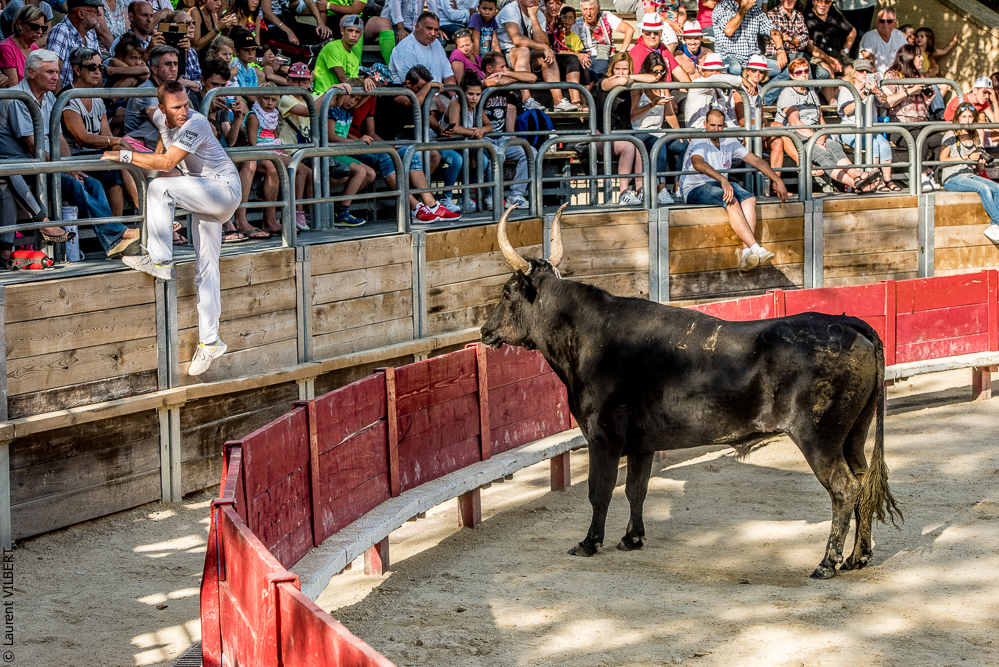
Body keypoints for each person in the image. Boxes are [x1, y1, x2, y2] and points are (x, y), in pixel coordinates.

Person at [101, 80, 241, 376]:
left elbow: (166, 162)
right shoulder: (158, 114)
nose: (183, 111)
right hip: (205, 193)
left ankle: (160, 259)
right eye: (176, 107)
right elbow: (151, 116)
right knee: (207, 270)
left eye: (187, 105)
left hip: (223, 190)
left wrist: (122, 155)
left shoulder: (197, 123)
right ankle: (210, 342)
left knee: (159, 187)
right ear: (163, 108)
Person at [1, 50, 140, 258]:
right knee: (76, 183)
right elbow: (32, 145)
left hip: (45, 164)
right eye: (49, 72)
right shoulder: (18, 98)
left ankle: (113, 241)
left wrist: (68, 164)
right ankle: (117, 234)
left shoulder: (48, 96)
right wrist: (65, 168)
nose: (56, 77)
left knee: (93, 182)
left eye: (56, 71)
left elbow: (58, 138)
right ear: (31, 73)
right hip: (23, 167)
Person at [680, 108, 788, 271]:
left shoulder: (729, 140)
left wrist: (777, 180)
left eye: (719, 126)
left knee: (750, 199)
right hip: (695, 187)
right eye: (712, 125)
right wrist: (723, 179)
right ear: (705, 124)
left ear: (724, 125)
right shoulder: (699, 140)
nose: (715, 129)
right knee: (730, 199)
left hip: (718, 184)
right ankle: (756, 249)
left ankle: (746, 254)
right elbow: (698, 163)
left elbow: (756, 161)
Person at [776, 57, 883, 194]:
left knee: (835, 147)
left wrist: (824, 133)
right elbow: (795, 123)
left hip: (815, 133)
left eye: (806, 71)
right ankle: (857, 184)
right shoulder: (788, 92)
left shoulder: (811, 92)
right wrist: (816, 137)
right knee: (823, 155)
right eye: (799, 72)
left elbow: (820, 119)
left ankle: (858, 174)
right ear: (791, 75)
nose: (804, 74)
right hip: (797, 135)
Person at [371, 65, 461, 222]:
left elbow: (428, 118)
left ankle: (429, 205)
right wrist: (427, 87)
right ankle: (415, 205)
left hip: (392, 144)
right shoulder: (395, 91)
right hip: (376, 142)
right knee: (402, 153)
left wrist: (441, 129)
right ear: (407, 83)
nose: (424, 91)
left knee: (433, 155)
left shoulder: (418, 96)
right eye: (420, 87)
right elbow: (413, 103)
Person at [61, 46, 141, 217]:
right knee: (118, 161)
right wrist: (116, 142)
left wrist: (117, 144)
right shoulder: (67, 96)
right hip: (75, 157)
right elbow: (81, 138)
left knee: (119, 161)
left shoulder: (97, 96)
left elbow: (107, 134)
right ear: (76, 69)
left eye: (100, 67)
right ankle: (141, 215)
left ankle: (123, 225)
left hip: (95, 155)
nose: (97, 72)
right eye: (92, 67)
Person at [592, 52, 662, 206]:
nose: (621, 73)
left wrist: (631, 77)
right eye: (617, 69)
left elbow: (652, 78)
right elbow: (622, 80)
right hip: (601, 136)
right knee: (629, 146)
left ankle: (641, 190)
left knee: (639, 145)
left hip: (621, 134)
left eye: (625, 69)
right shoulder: (604, 81)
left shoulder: (628, 80)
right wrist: (626, 78)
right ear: (611, 68)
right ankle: (623, 193)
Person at [245, 81, 314, 232]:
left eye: (273, 99)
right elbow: (252, 143)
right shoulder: (253, 116)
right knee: (280, 166)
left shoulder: (273, 115)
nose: (270, 103)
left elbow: (275, 138)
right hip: (260, 152)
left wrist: (279, 152)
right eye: (266, 99)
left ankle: (296, 211)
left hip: (274, 150)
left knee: (302, 169)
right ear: (258, 98)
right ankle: (277, 218)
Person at [475, 54, 534, 210]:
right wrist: (515, 79)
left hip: (501, 137)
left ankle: (515, 196)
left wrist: (508, 74)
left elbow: (532, 78)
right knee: (497, 156)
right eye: (502, 67)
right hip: (483, 137)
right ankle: (490, 196)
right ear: (489, 69)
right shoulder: (479, 84)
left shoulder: (506, 77)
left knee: (530, 152)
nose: (505, 69)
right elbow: (495, 81)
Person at [629, 51, 686, 205]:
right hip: (641, 131)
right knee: (659, 145)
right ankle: (660, 189)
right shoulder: (638, 88)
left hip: (658, 130)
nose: (659, 75)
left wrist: (679, 132)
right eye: (655, 72)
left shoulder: (662, 87)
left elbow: (669, 114)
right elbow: (633, 115)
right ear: (648, 70)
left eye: (661, 71)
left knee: (684, 144)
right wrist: (651, 105)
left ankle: (677, 186)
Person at [939, 103, 999, 244]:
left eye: (970, 117)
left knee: (996, 188)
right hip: (952, 176)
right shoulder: (951, 133)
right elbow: (943, 160)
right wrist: (966, 158)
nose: (967, 120)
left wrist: (981, 162)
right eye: (964, 117)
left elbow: (977, 164)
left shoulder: (975, 134)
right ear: (957, 119)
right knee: (983, 189)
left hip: (969, 174)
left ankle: (994, 226)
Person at [837, 59, 898, 190]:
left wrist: (876, 91)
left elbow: (883, 100)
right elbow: (847, 110)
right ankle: (876, 180)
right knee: (874, 144)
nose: (864, 73)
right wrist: (861, 96)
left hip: (870, 130)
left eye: (867, 71)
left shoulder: (872, 86)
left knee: (885, 146)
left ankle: (888, 180)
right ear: (854, 73)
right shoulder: (847, 88)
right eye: (861, 71)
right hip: (851, 131)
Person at [498, 0, 569, 111]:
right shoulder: (510, 10)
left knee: (546, 54)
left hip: (527, 56)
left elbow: (542, 42)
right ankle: (526, 99)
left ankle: (558, 101)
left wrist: (533, 17)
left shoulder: (538, 14)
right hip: (506, 54)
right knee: (524, 50)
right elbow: (516, 39)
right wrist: (544, 47)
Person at [124, 45, 186, 151]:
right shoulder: (147, 90)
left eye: (175, 64)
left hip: (155, 143)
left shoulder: (169, 89)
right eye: (168, 64)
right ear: (154, 69)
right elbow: (162, 122)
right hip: (139, 146)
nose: (173, 68)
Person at [711, 0, 787, 77]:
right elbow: (729, 30)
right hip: (729, 58)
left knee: (786, 70)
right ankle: (742, 88)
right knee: (736, 69)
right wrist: (743, 9)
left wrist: (780, 49)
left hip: (753, 59)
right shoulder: (723, 6)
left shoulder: (755, 9)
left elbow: (773, 30)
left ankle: (765, 89)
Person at [388, 12, 456, 87]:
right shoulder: (405, 48)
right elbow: (415, 86)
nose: (433, 33)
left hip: (435, 93)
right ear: (417, 27)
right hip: (413, 95)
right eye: (429, 28)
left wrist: (455, 97)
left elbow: (448, 75)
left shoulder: (436, 43)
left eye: (436, 30)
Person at [544, 0, 590, 109]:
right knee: (573, 58)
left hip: (563, 61)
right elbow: (555, 50)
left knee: (585, 67)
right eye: (551, 3)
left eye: (558, 4)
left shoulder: (560, 24)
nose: (554, 7)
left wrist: (582, 57)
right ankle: (576, 101)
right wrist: (577, 55)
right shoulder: (544, 21)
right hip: (549, 60)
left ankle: (585, 105)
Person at [45, 0, 101, 87]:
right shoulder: (60, 31)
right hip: (67, 96)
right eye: (96, 11)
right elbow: (54, 73)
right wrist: (62, 100)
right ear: (81, 14)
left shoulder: (91, 33)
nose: (100, 14)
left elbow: (98, 70)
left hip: (87, 94)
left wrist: (99, 99)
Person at [573, 0, 633, 80]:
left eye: (591, 9)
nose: (588, 13)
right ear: (581, 10)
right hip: (587, 59)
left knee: (608, 64)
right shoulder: (576, 24)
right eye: (585, 9)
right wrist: (578, 55)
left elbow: (629, 30)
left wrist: (621, 52)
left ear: (598, 10)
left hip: (607, 56)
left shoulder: (605, 16)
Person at [762, 0, 809, 104]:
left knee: (806, 64)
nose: (789, 0)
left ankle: (806, 99)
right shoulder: (771, 14)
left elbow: (805, 39)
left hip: (795, 55)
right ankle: (765, 100)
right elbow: (771, 38)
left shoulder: (799, 15)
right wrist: (794, 41)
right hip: (774, 55)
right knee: (792, 69)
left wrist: (786, 38)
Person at [683, 52, 743, 128]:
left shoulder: (718, 90)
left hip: (717, 131)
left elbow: (724, 116)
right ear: (703, 72)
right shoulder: (697, 84)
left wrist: (738, 135)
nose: (714, 73)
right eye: (710, 70)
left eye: (717, 70)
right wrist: (741, 80)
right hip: (697, 130)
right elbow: (714, 78)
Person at [804, 0, 854, 84]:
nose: (823, 5)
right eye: (820, 1)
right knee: (827, 71)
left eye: (827, 2)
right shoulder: (807, 18)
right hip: (817, 58)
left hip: (837, 56)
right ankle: (831, 97)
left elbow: (852, 31)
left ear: (831, 3)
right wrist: (830, 60)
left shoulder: (834, 16)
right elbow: (810, 47)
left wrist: (846, 49)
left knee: (855, 71)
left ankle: (842, 95)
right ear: (813, 2)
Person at [628, 15, 690, 81]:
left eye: (656, 33)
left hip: (666, 89)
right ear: (642, 33)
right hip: (649, 90)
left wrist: (691, 89)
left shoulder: (662, 47)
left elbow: (677, 70)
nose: (652, 36)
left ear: (661, 33)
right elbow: (636, 79)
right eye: (648, 33)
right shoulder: (637, 52)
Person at [0, 6, 44, 86]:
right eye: (35, 27)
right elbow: (14, 88)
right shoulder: (7, 48)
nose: (40, 31)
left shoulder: (35, 48)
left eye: (43, 28)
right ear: (20, 25)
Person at [859, 8, 907, 74]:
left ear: (895, 22)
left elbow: (906, 57)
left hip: (896, 79)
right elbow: (869, 62)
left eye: (889, 21)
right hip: (876, 79)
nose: (885, 23)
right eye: (882, 21)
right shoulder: (869, 36)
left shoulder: (899, 35)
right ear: (877, 21)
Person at [734, 52, 767, 127]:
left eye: (761, 71)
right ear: (748, 71)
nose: (757, 73)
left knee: (778, 132)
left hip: (756, 126)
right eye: (754, 70)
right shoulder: (739, 89)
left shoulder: (760, 89)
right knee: (777, 128)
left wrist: (762, 120)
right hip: (739, 130)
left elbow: (761, 115)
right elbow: (742, 122)